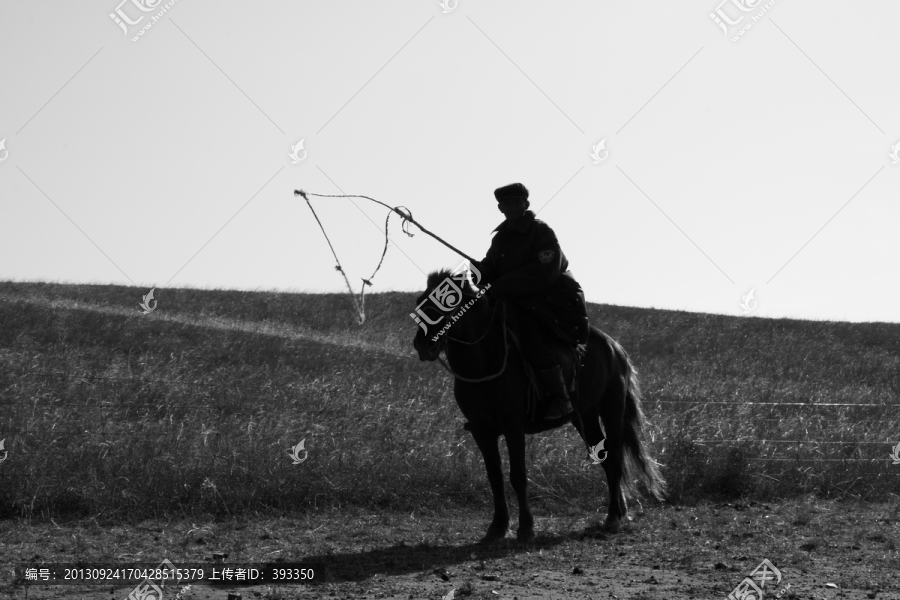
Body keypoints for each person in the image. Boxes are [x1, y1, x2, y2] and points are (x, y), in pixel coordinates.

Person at [474, 183, 590, 420]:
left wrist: (502, 285)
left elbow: (544, 271)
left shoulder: (541, 231)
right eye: (506, 203)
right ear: (500, 208)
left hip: (547, 303)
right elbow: (492, 270)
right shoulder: (500, 239)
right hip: (513, 301)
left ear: (526, 204)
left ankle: (562, 399)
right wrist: (480, 271)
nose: (512, 206)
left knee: (529, 337)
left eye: (517, 202)